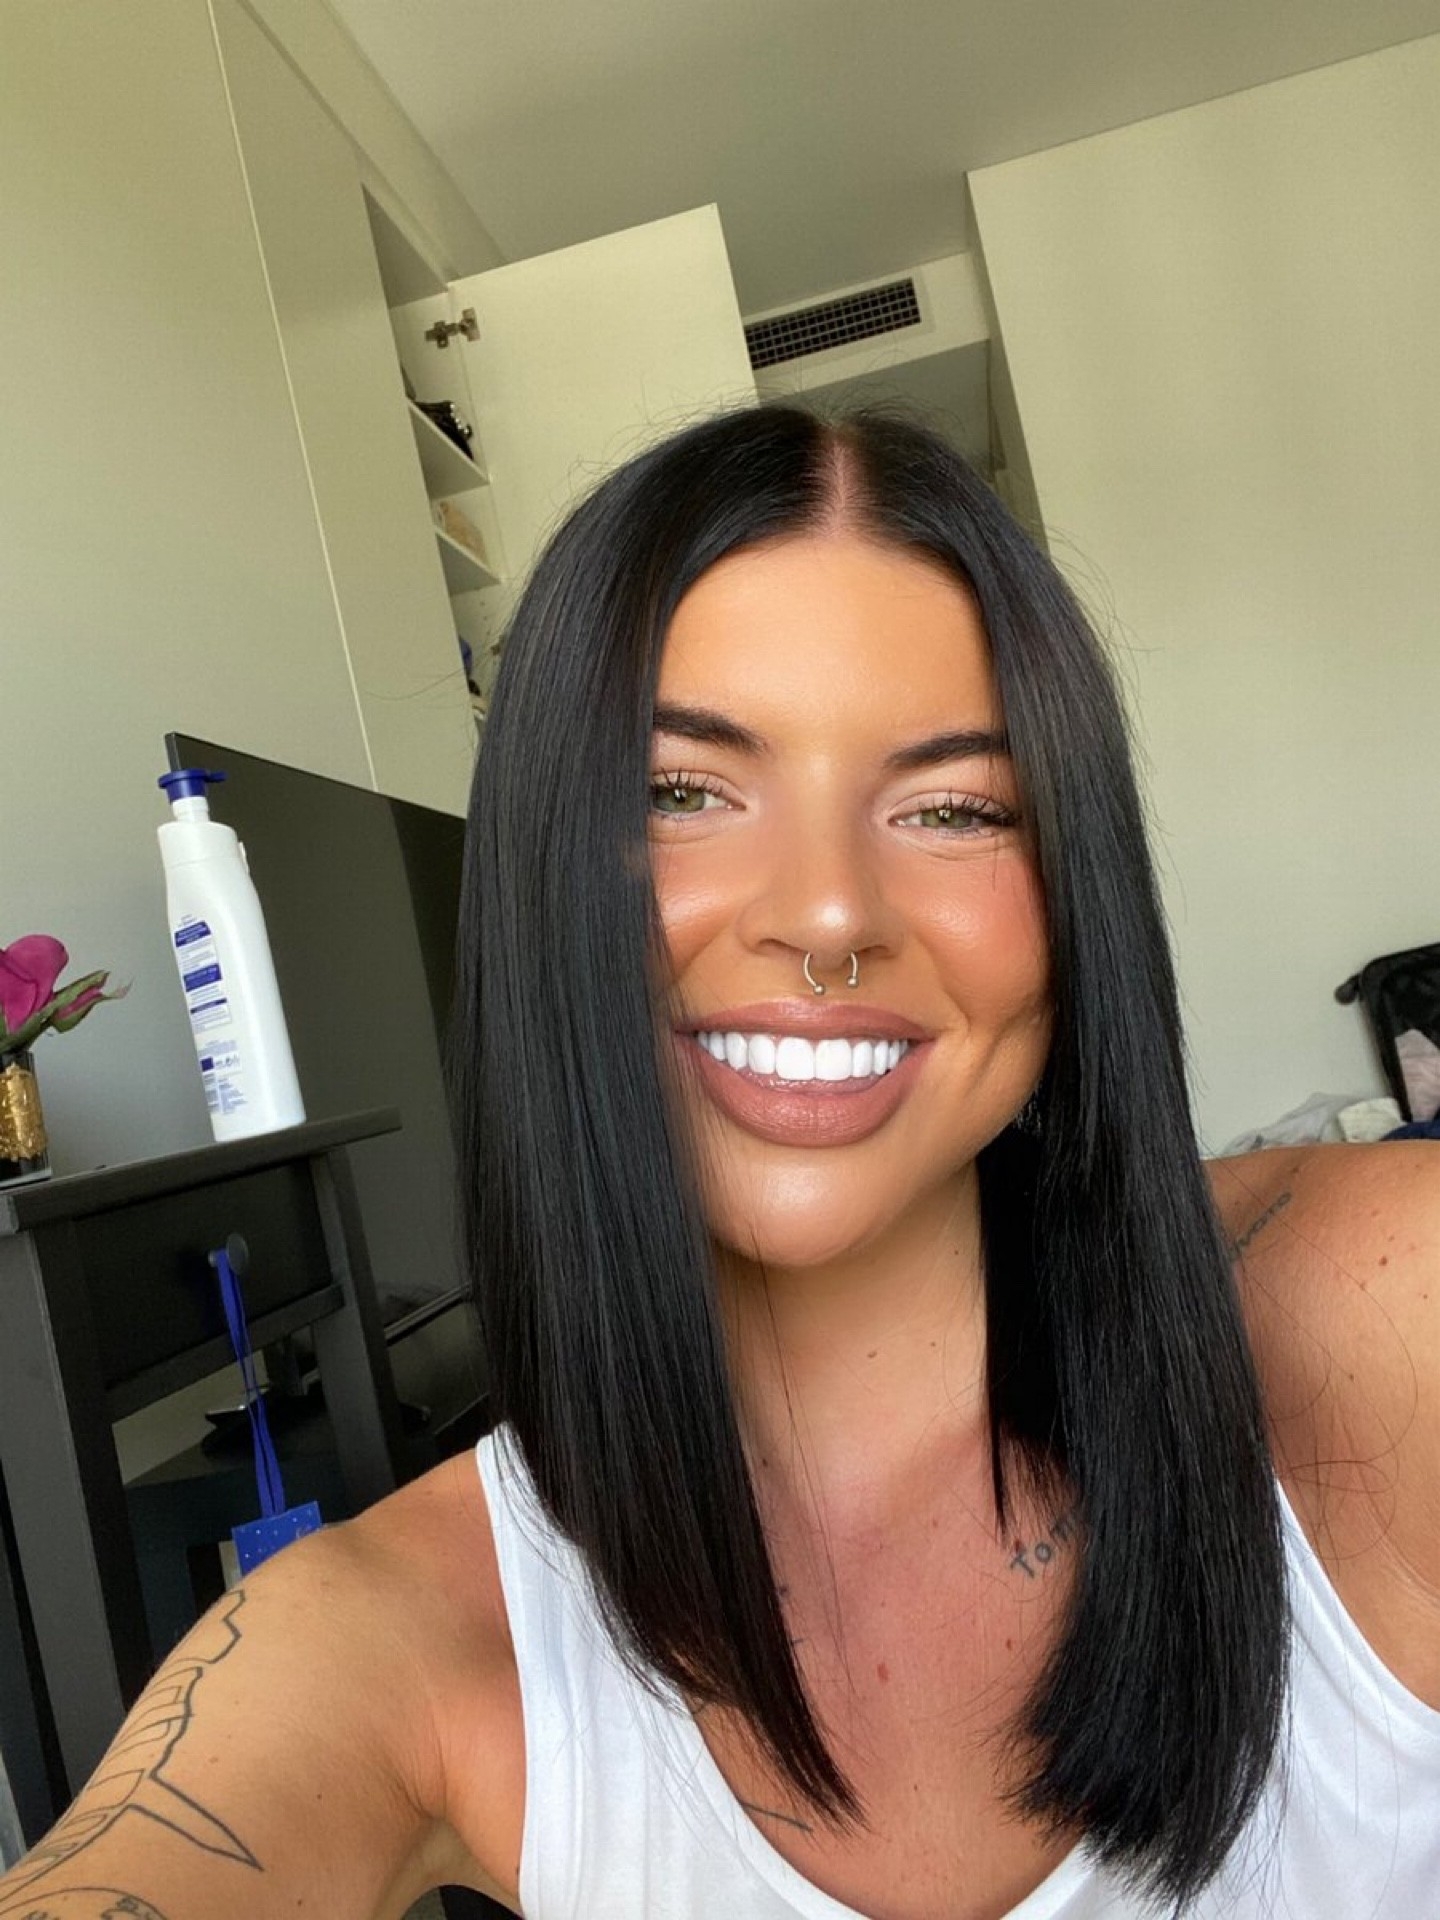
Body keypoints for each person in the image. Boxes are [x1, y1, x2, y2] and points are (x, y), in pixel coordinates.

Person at [3, 406, 1436, 1920]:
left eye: (956, 807)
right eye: (679, 792)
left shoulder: (1385, 1307)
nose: (827, 914)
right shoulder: (385, 1633)